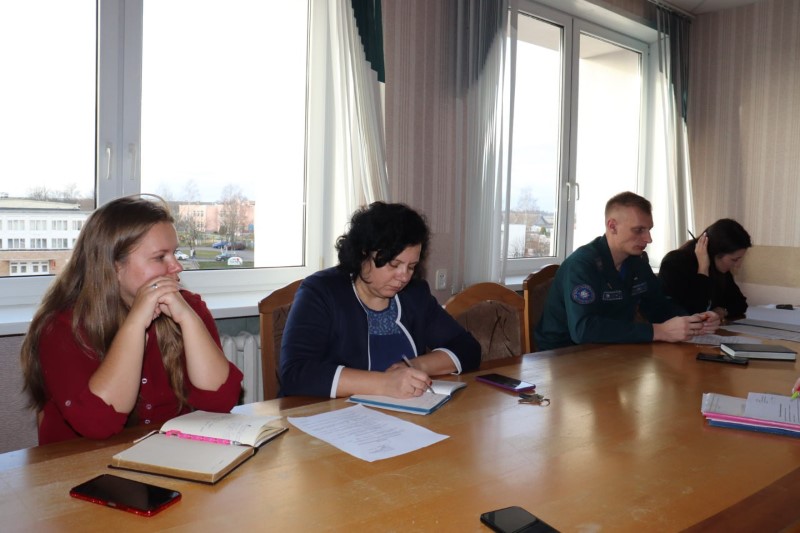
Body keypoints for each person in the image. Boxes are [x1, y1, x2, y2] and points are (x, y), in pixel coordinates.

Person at [20, 196, 243, 445]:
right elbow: (98, 423)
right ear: (114, 267)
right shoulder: (62, 327)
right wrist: (136, 324)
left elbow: (220, 402)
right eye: (160, 257)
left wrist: (188, 319)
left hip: (165, 453)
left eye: (174, 253)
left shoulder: (188, 307)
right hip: (80, 460)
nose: (177, 266)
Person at [280, 201, 481, 398]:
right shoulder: (321, 291)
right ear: (363, 253)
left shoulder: (414, 295)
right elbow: (296, 373)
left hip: (404, 414)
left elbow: (467, 347)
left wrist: (415, 365)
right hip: (332, 414)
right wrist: (386, 383)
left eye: (411, 267)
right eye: (394, 264)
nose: (404, 276)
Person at [535, 192, 720, 351]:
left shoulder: (636, 262)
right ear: (612, 226)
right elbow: (583, 329)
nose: (648, 239)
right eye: (639, 230)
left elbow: (658, 305)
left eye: (649, 230)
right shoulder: (582, 264)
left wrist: (693, 321)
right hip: (562, 356)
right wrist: (658, 331)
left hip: (611, 351)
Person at [659, 218, 751, 321]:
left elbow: (740, 304)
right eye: (734, 260)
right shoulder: (675, 263)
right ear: (715, 252)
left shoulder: (720, 267)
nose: (738, 265)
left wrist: (723, 310)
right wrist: (703, 269)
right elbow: (693, 312)